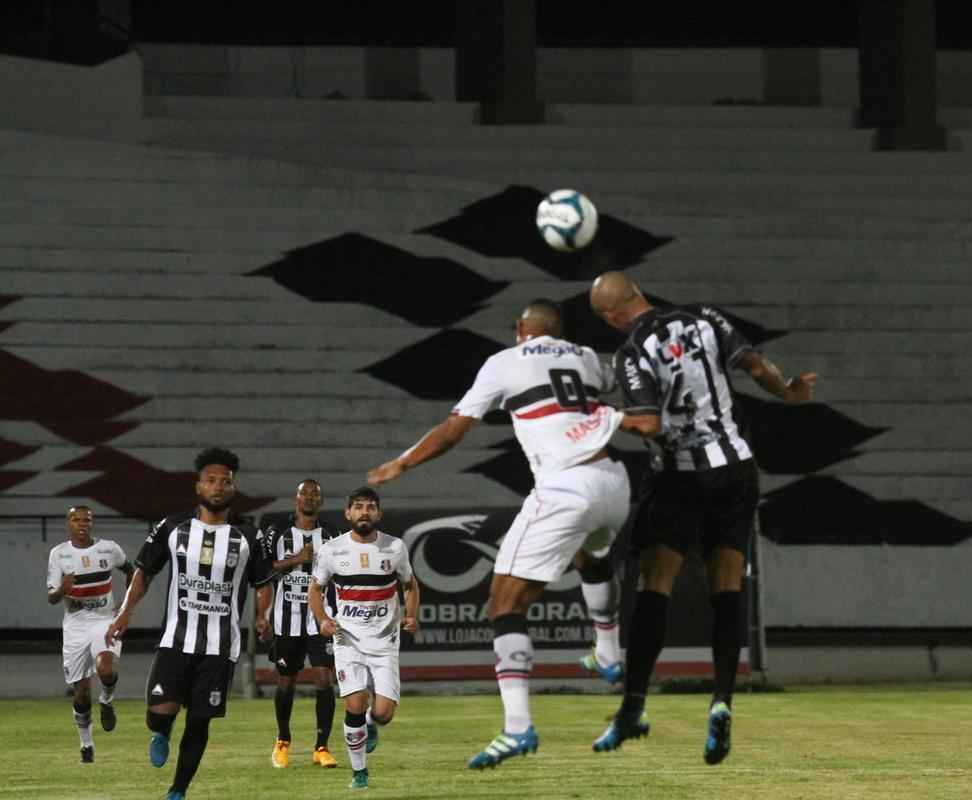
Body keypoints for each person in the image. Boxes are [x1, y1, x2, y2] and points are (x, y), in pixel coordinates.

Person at [367, 298, 631, 769]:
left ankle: (517, 728)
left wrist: (402, 462)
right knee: (591, 556)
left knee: (502, 604)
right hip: (613, 481)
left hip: (565, 485)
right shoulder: (587, 356)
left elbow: (453, 431)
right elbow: (625, 382)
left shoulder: (504, 362)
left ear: (522, 329)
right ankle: (609, 654)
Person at [588, 271, 816, 765]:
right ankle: (721, 701)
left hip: (680, 478)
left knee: (654, 586)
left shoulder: (632, 353)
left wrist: (605, 418)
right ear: (639, 292)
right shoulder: (704, 319)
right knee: (727, 586)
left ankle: (632, 708)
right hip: (736, 468)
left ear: (611, 315)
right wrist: (790, 392)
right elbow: (757, 367)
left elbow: (647, 422)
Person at [106, 448, 273, 800]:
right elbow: (144, 573)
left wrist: (263, 615)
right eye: (211, 481)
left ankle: (178, 790)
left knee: (200, 720)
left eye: (225, 482)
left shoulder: (249, 537)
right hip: (176, 640)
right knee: (157, 714)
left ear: (233, 489)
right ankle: (162, 732)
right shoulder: (172, 527)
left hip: (220, 647)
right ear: (198, 487)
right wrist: (125, 612)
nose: (218, 487)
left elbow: (263, 582)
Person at [308, 486, 420, 791]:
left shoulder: (394, 547)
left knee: (383, 713)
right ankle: (359, 773)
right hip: (348, 639)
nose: (364, 512)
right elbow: (315, 590)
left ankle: (372, 724)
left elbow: (410, 585)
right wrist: (322, 619)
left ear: (379, 513)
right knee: (354, 703)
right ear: (348, 513)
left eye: (370, 507)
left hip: (385, 641)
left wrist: (411, 615)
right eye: (358, 507)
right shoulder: (332, 550)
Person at [261, 479, 339, 769]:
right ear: (296, 498)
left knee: (324, 679)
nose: (309, 498)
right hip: (286, 617)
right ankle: (282, 740)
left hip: (320, 619)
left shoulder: (332, 533)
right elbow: (263, 568)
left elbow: (343, 571)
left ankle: (322, 747)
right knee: (286, 681)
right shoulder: (277, 531)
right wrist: (295, 559)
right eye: (304, 493)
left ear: (320, 500)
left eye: (314, 494)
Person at [46, 505, 133, 763]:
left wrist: (127, 604)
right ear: (68, 524)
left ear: (92, 524)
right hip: (75, 626)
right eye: (76, 520)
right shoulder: (58, 554)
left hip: (105, 620)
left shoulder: (109, 548)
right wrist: (62, 589)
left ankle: (107, 701)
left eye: (87, 520)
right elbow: (51, 597)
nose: (82, 524)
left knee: (106, 669)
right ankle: (86, 744)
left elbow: (132, 571)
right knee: (81, 692)